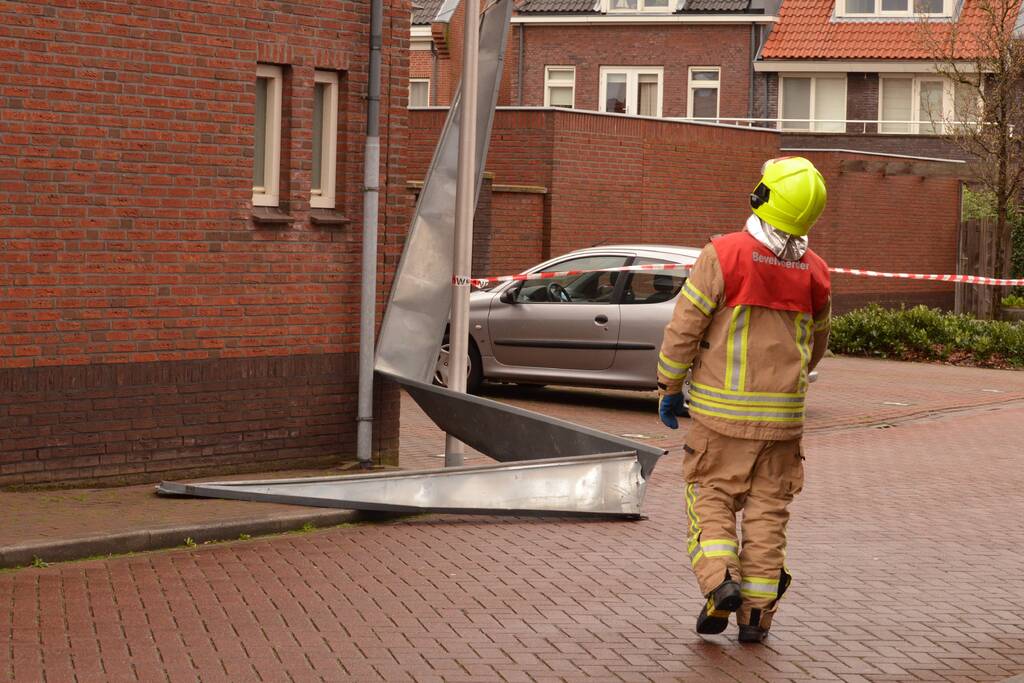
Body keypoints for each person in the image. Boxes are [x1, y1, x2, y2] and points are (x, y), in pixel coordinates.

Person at [656, 156, 831, 643]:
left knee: (708, 496)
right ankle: (756, 617)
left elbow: (684, 329)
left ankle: (720, 582)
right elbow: (817, 344)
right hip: (784, 424)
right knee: (768, 515)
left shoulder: (724, 254)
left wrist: (669, 387)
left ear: (763, 196)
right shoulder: (815, 272)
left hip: (721, 419)